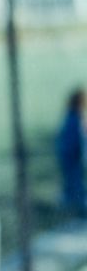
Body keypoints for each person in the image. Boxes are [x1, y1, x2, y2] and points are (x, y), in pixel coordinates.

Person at [56, 87, 86, 217]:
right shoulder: (76, 119)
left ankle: (70, 208)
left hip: (68, 157)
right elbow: (78, 141)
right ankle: (78, 210)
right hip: (73, 157)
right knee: (76, 184)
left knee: (71, 184)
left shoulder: (69, 117)